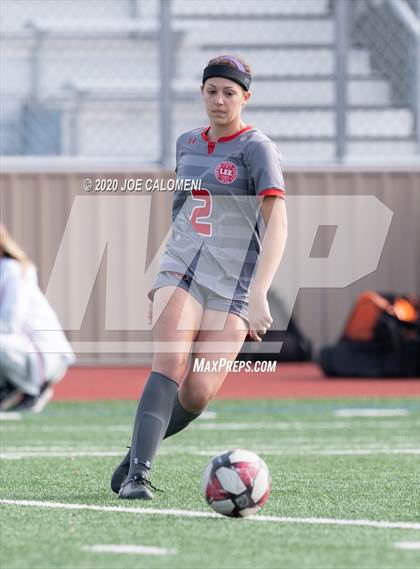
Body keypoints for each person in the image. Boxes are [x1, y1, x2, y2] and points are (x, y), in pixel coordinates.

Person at [112, 55, 288, 499]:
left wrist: (259, 294)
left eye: (230, 92)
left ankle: (136, 450)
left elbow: (277, 223)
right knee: (169, 363)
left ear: (245, 97)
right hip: (183, 268)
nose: (220, 100)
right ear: (202, 93)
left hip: (232, 284)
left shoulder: (258, 149)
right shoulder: (187, 142)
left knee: (198, 393)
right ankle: (138, 475)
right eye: (212, 91)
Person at [0, 224, 75, 412]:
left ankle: (34, 388)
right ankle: (10, 386)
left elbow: (11, 321)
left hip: (43, 356)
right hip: (19, 350)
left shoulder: (13, 270)